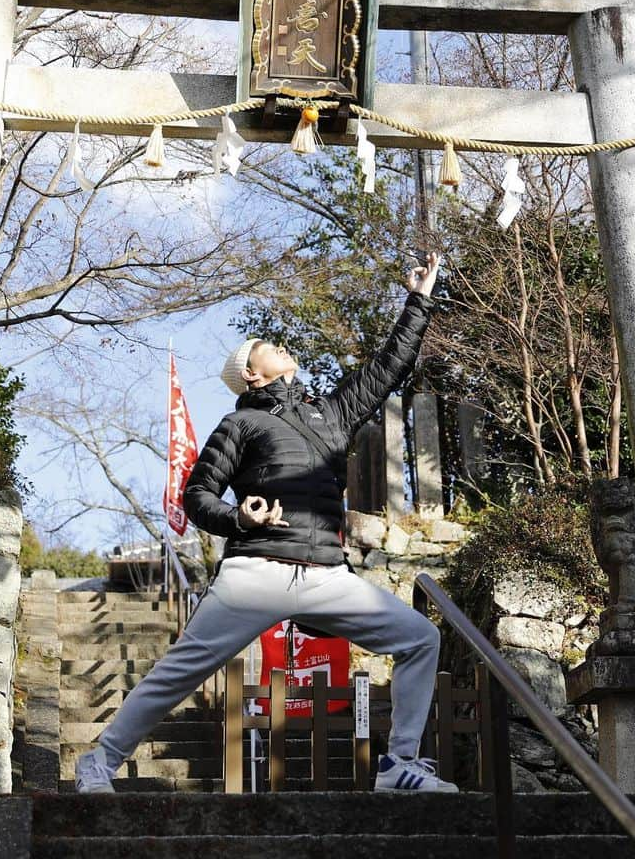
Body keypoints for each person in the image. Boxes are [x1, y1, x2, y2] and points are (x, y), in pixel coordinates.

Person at [75, 252, 457, 794]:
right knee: (181, 669)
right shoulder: (241, 422)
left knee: (420, 638)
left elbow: (387, 368)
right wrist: (239, 515)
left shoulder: (332, 413)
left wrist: (417, 299)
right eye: (264, 347)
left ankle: (398, 766)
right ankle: (100, 761)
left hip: (326, 573)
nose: (279, 344)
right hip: (256, 568)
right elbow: (197, 496)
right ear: (251, 375)